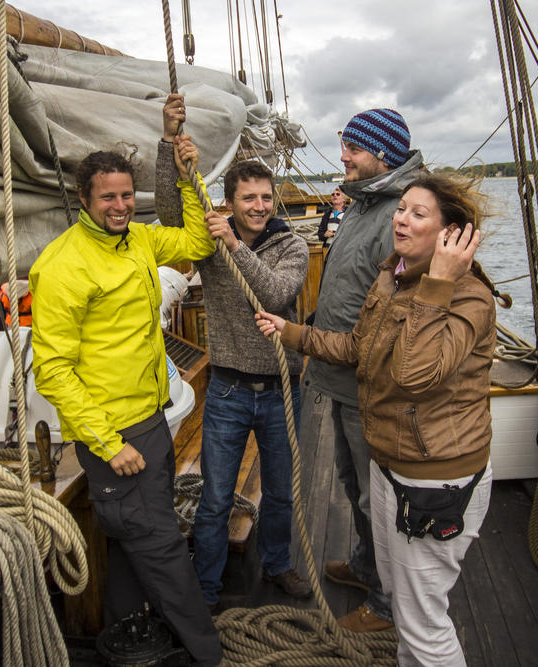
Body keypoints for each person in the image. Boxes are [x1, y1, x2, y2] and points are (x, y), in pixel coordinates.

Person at [257, 172, 494, 666]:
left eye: (417, 213)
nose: (401, 219)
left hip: (434, 480)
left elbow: (413, 374)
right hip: (391, 462)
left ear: (451, 234)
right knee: (407, 611)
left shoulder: (468, 298)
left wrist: (441, 282)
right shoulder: (395, 274)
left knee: (424, 623)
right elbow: (359, 348)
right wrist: (294, 333)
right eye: (400, 208)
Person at [29, 135, 222, 665]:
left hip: (150, 421)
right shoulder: (64, 265)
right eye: (107, 198)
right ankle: (207, 654)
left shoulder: (138, 239)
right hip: (116, 437)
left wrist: (189, 177)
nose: (118, 206)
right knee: (160, 547)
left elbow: (197, 244)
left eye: (125, 196)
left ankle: (128, 638)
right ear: (85, 201)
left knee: (133, 541)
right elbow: (52, 370)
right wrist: (108, 443)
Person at [154, 94, 312, 608]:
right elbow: (169, 209)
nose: (260, 206)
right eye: (249, 199)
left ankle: (277, 564)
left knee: (283, 493)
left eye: (266, 197)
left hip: (279, 391)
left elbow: (273, 295)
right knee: (216, 498)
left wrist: (237, 247)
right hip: (226, 388)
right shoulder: (208, 241)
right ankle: (206, 586)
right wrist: (168, 143)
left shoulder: (291, 246)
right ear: (229, 201)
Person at [300, 108, 424, 631]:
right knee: (354, 486)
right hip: (340, 378)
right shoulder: (363, 203)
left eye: (352, 147)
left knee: (379, 498)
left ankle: (385, 601)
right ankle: (364, 564)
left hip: (369, 386)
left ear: (382, 155)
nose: (343, 156)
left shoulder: (400, 215)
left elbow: (401, 309)